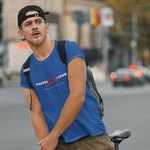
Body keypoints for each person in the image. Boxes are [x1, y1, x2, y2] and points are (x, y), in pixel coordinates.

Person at [18, 5, 114, 150]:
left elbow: (77, 96)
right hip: (59, 144)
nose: (34, 27)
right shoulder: (27, 70)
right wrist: (47, 143)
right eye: (28, 24)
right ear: (21, 34)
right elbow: (35, 113)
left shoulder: (68, 49)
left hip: (91, 138)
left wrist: (53, 136)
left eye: (38, 22)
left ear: (47, 27)